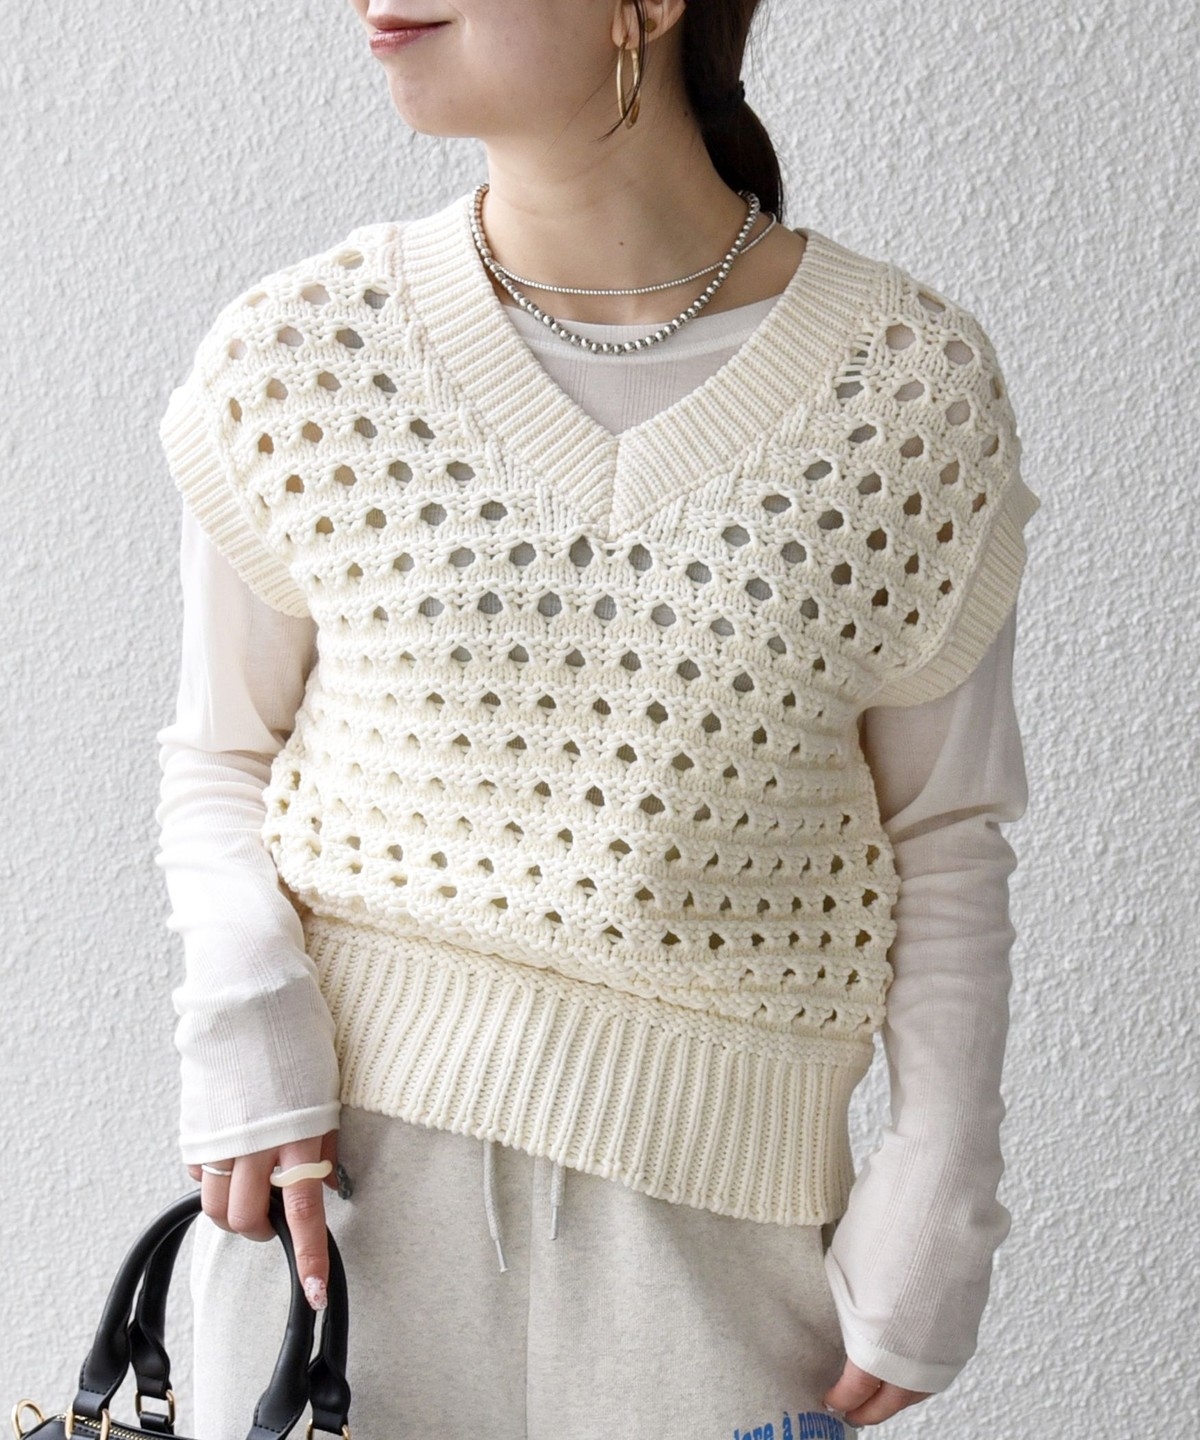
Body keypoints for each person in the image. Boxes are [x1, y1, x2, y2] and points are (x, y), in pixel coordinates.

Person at [153, 1, 1039, 1434]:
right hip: (338, 1210)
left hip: (722, 1249)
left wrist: (941, 1182)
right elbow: (219, 757)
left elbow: (946, 830)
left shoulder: (906, 391)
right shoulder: (304, 357)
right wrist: (246, 1020)